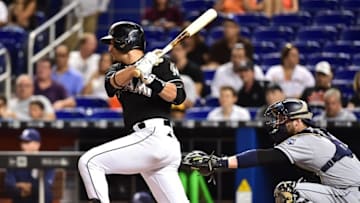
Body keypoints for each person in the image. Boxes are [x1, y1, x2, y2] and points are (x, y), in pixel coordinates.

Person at [78, 21, 189, 203]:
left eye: (113, 43)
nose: (109, 49)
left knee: (89, 162)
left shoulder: (162, 64)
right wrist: (136, 68)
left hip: (155, 136)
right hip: (148, 144)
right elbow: (111, 85)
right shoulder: (116, 68)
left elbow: (178, 96)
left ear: (125, 42)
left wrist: (150, 78)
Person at [184, 98, 360, 202]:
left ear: (298, 121)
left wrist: (219, 162)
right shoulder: (316, 134)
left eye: (283, 119)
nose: (278, 123)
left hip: (349, 193)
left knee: (287, 191)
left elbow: (263, 157)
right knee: (298, 185)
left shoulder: (304, 140)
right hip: (346, 190)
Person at [4, 128, 55, 203]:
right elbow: (9, 185)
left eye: (27, 142)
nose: (24, 145)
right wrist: (29, 188)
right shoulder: (14, 161)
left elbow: (46, 185)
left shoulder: (46, 161)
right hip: (21, 200)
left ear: (37, 144)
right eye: (23, 142)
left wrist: (26, 187)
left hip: (40, 200)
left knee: (45, 191)